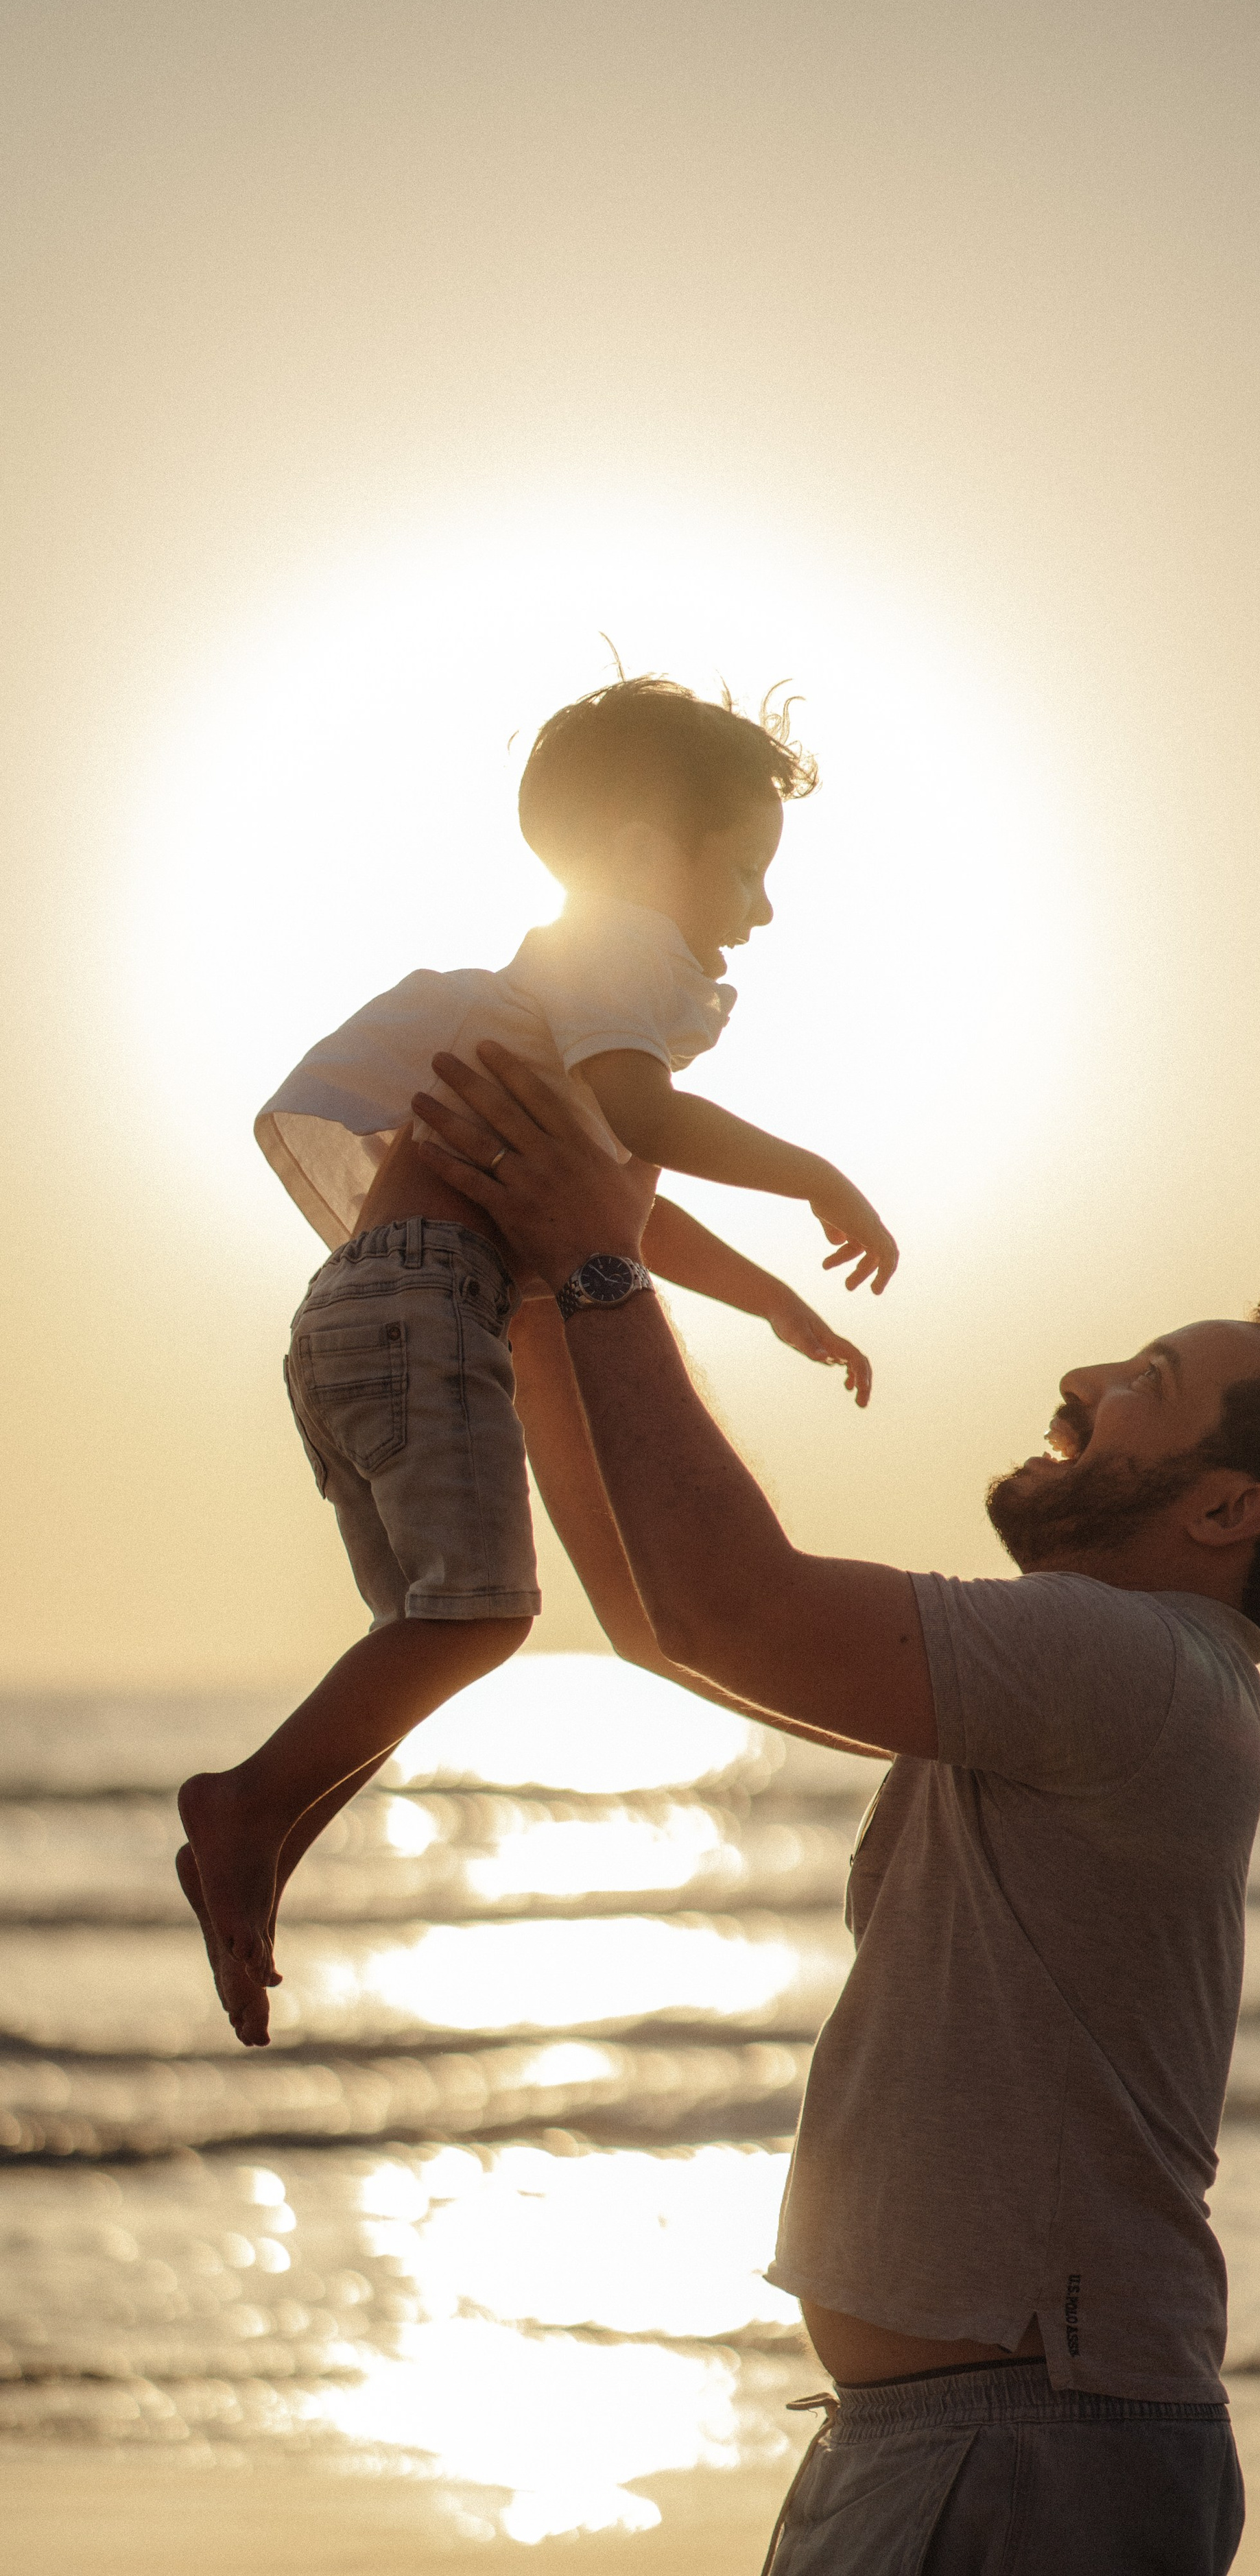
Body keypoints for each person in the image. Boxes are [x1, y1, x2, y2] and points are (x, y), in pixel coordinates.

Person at [409, 1041, 1260, 2576]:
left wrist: (598, 1262)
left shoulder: (1129, 1664)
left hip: (1022, 2447)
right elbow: (654, 1613)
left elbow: (727, 1602)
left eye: (1142, 1388)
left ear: (1226, 1511)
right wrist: (545, 1286)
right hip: (980, 2440)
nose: (1078, 1386)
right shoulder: (1128, 1677)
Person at [177, 675, 899, 2046]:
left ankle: (262, 1839)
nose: (757, 909)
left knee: (429, 1634)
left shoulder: (547, 994)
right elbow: (640, 1117)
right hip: (424, 1304)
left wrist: (767, 1306)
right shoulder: (614, 949)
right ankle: (244, 1807)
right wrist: (812, 1172)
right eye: (741, 868)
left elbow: (618, 1181)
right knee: (482, 1619)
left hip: (363, 1318)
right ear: (638, 851)